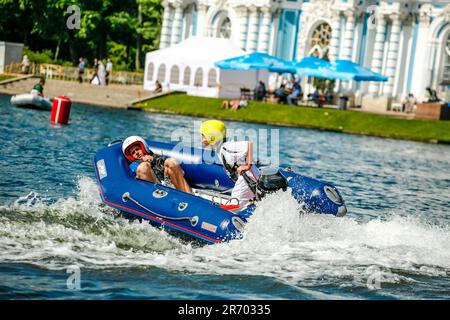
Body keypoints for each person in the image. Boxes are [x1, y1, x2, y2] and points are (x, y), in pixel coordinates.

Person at [200, 120, 258, 206]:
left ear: (212, 136)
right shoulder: (221, 146)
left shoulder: (226, 146)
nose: (201, 140)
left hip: (247, 179)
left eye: (203, 136)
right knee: (243, 202)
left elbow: (248, 144)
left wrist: (247, 165)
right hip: (246, 179)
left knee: (233, 205)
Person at [122, 136, 192, 194]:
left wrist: (153, 159)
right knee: (143, 167)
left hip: (166, 182)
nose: (136, 153)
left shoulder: (154, 156)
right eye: (133, 153)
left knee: (171, 161)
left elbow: (167, 163)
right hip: (153, 190)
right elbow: (134, 173)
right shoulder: (134, 165)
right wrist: (145, 162)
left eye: (137, 149)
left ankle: (189, 195)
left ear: (143, 148)